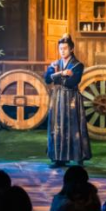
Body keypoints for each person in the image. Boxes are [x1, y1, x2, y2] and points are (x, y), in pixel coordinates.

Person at [44, 34, 91, 167]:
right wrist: (62, 73)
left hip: (71, 99)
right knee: (57, 127)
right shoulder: (55, 64)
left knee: (73, 127)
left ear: (71, 49)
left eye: (65, 48)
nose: (62, 51)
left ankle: (77, 156)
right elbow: (47, 79)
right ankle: (58, 158)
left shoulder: (77, 65)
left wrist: (56, 76)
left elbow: (72, 82)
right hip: (57, 98)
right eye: (60, 48)